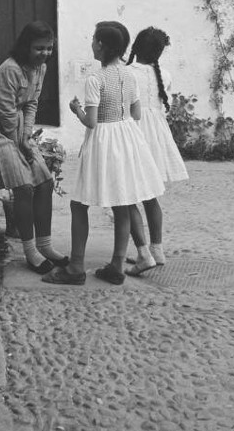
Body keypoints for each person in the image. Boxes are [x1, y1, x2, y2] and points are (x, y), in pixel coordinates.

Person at [42, 21, 165, 286]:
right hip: (127, 137)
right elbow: (136, 113)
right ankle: (117, 265)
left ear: (102, 45)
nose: (91, 44)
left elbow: (91, 122)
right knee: (122, 203)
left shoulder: (95, 79)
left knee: (79, 204)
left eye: (93, 39)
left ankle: (76, 267)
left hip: (103, 141)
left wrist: (77, 111)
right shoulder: (129, 76)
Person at [0, 20, 67, 274]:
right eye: (39, 48)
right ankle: (30, 252)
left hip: (18, 128)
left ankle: (45, 245)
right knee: (23, 185)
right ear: (26, 46)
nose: (44, 53)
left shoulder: (40, 68)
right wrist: (20, 144)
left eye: (49, 48)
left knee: (44, 181)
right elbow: (6, 112)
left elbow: (31, 103)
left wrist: (27, 136)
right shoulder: (10, 70)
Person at [125, 26, 188, 275]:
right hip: (157, 137)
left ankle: (143, 252)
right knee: (151, 195)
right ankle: (157, 248)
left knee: (127, 195)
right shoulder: (165, 74)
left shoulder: (127, 73)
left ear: (135, 47)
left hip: (134, 134)